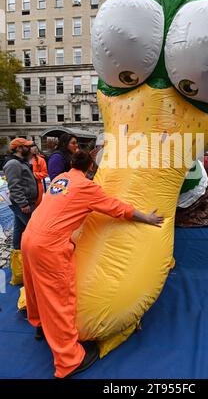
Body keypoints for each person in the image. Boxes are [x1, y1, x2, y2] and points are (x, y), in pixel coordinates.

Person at [21, 150, 164, 379]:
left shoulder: (60, 179)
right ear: (91, 168)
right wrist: (146, 218)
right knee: (60, 299)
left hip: (29, 238)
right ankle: (68, 360)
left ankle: (40, 326)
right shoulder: (87, 187)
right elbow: (116, 207)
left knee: (34, 288)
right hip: (50, 247)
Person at [3, 138, 38, 284]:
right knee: (36, 230)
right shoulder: (13, 164)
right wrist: (23, 204)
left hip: (25, 203)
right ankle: (32, 266)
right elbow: (14, 186)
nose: (31, 149)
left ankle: (19, 271)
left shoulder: (21, 162)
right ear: (19, 148)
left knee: (18, 234)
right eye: (28, 147)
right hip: (23, 204)